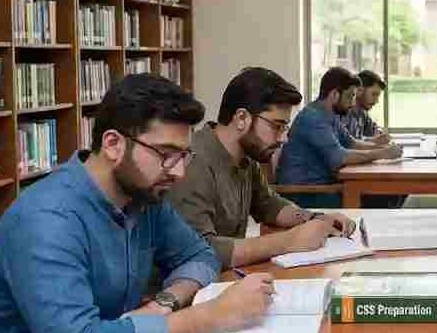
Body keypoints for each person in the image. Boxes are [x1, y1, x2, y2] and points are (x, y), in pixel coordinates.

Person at [0, 74, 274, 333]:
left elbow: (200, 255)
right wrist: (212, 316)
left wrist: (163, 304)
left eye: (184, 156)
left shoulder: (143, 197)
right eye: (166, 154)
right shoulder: (47, 220)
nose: (178, 172)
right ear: (112, 144)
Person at [166, 67, 356, 269]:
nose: (283, 139)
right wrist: (289, 241)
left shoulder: (246, 157)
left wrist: (316, 219)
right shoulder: (191, 162)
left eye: (285, 127)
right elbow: (199, 251)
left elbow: (269, 205)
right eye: (277, 126)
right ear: (241, 118)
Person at [276, 67, 403, 208]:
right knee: (388, 195)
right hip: (305, 194)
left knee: (392, 192)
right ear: (335, 94)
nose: (353, 103)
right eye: (350, 96)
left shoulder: (329, 114)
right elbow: (340, 157)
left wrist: (384, 148)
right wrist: (382, 153)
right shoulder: (313, 118)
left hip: (325, 187)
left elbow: (352, 143)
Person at [339, 69, 390, 145]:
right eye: (373, 94)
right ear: (359, 90)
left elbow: (376, 132)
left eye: (378, 96)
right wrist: (373, 141)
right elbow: (346, 144)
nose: (376, 101)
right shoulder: (343, 113)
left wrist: (382, 137)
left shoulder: (362, 114)